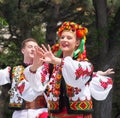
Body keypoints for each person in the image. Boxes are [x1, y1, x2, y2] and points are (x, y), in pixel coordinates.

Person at [18, 21, 114, 118]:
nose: (64, 40)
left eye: (69, 38)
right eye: (62, 37)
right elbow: (37, 85)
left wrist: (56, 60)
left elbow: (77, 72)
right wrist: (34, 67)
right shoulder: (51, 67)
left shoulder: (84, 64)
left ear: (77, 42)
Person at [0, 38, 48, 118]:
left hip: (40, 112)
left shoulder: (45, 69)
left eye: (35, 47)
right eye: (30, 47)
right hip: (20, 114)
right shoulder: (13, 70)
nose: (33, 49)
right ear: (23, 50)